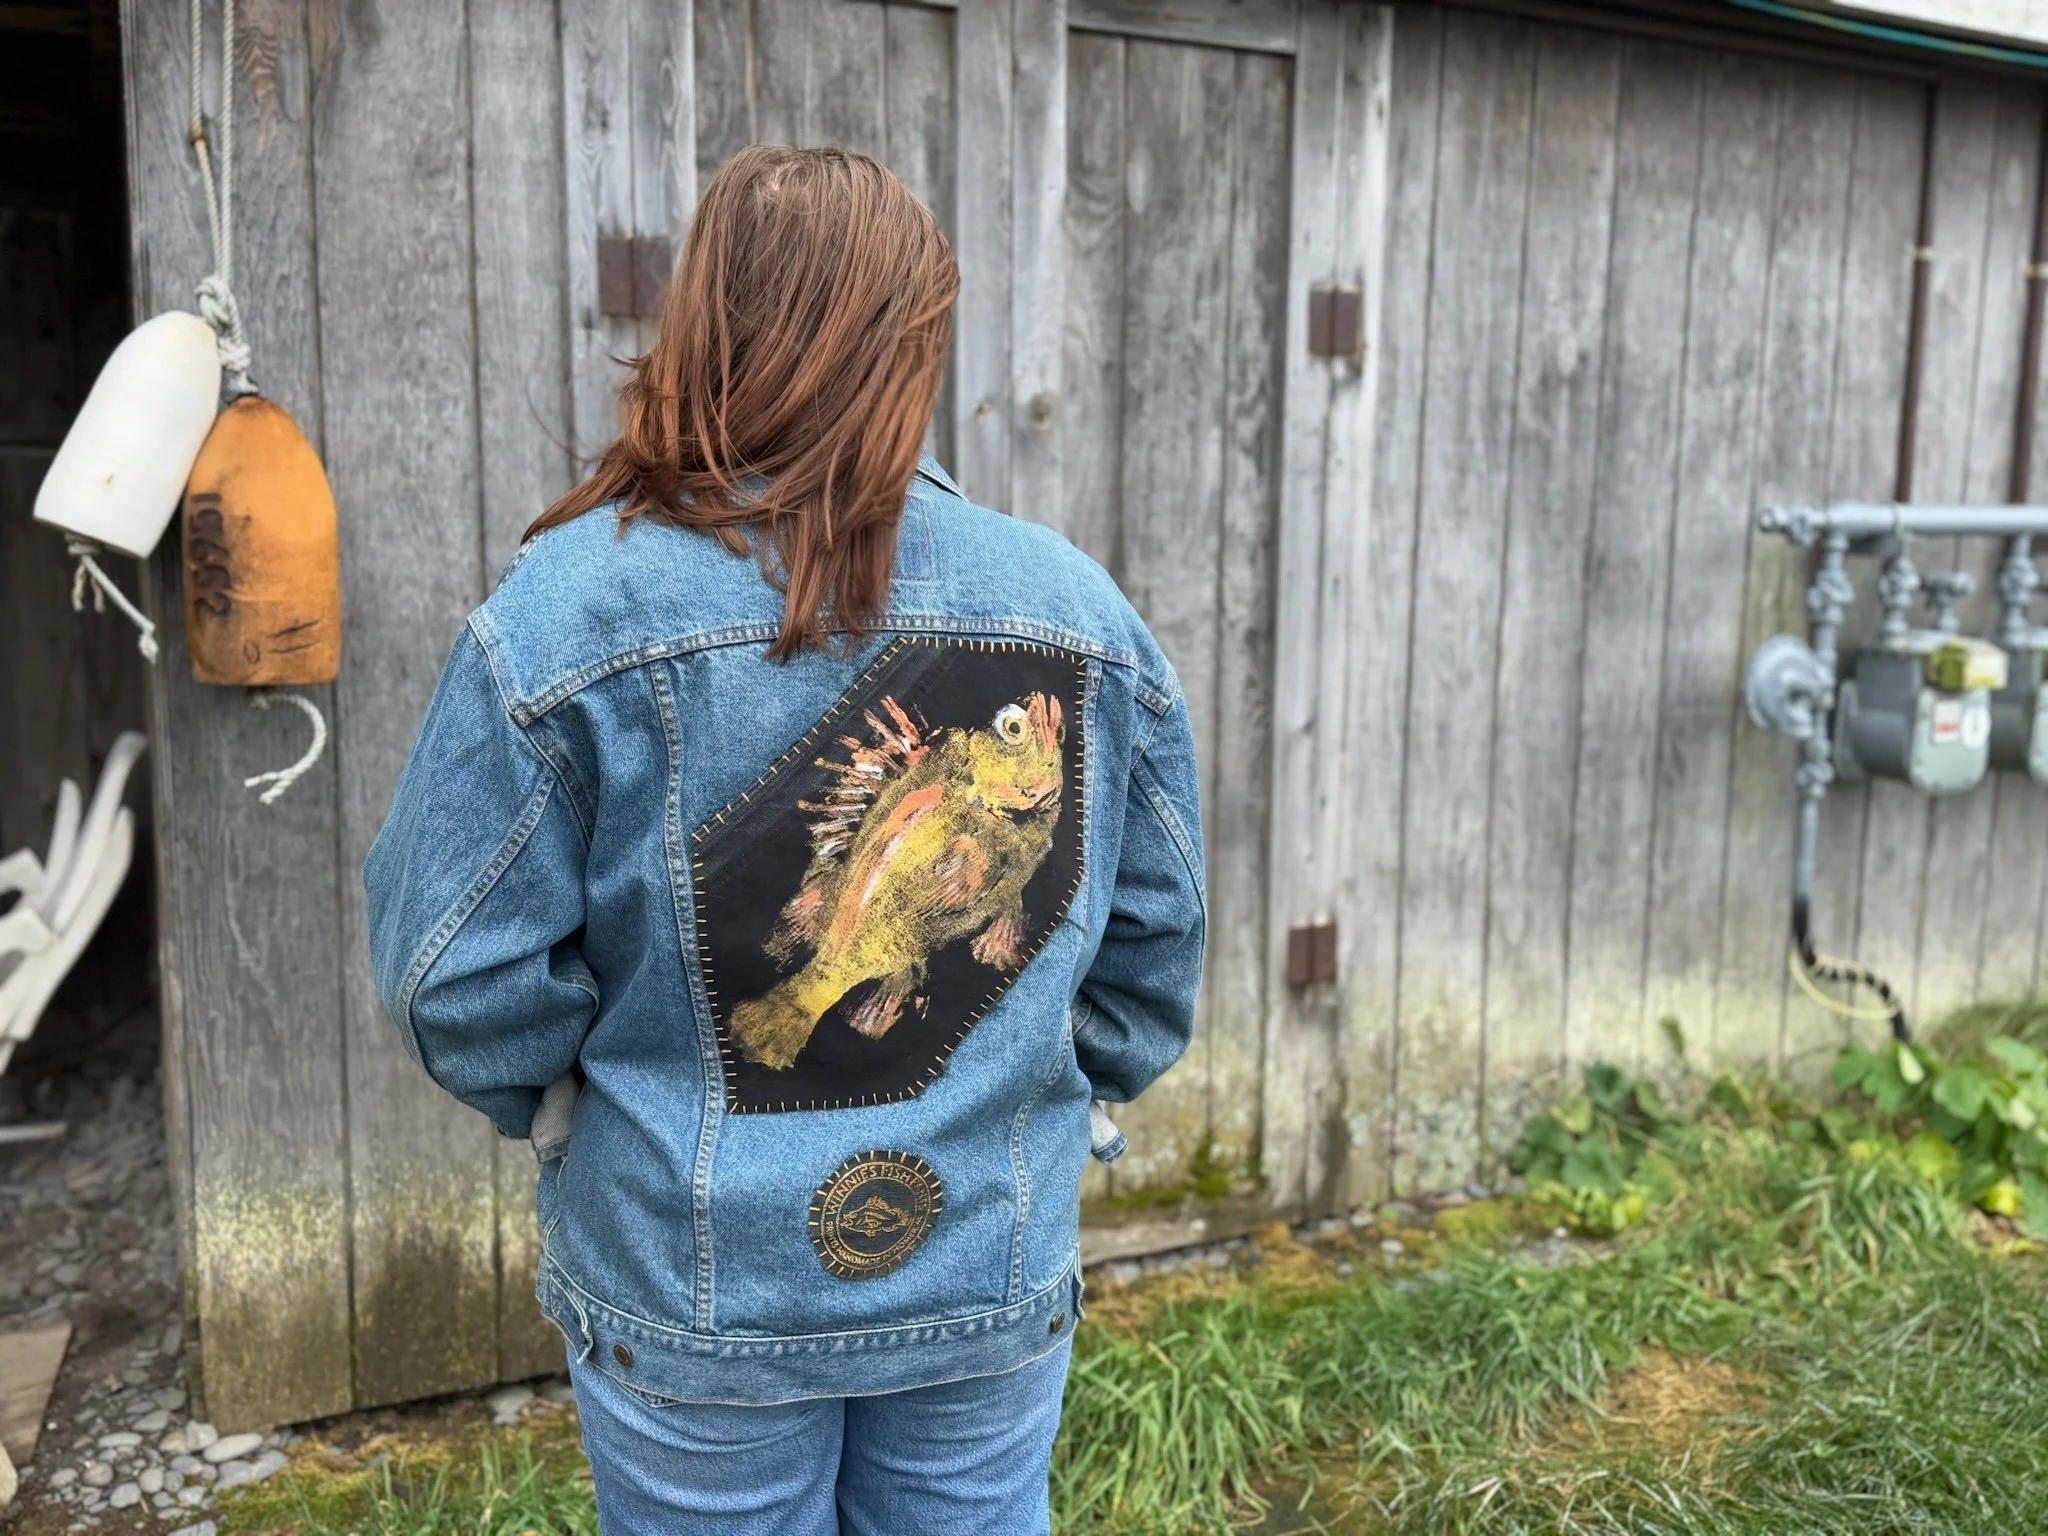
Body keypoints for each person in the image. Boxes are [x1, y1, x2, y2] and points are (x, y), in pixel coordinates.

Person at [364, 145, 1205, 1535]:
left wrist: (574, 1108)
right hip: (979, 1263)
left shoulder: (562, 613)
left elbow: (451, 971)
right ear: (920, 343)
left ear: (696, 321)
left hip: (686, 1277)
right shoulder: (1078, 613)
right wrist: (1045, 1086)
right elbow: (1152, 951)